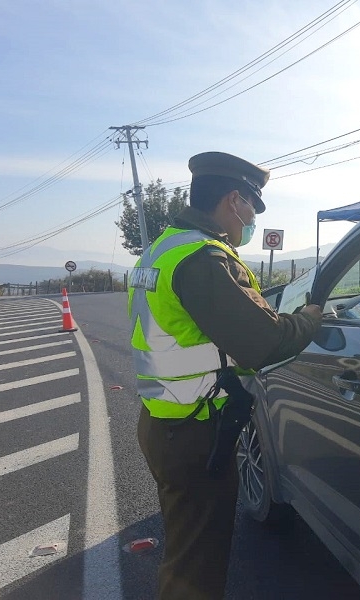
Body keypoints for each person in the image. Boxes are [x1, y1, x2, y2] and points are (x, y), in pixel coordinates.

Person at [128, 151, 323, 600]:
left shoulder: (162, 249)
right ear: (233, 200)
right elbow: (265, 343)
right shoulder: (203, 259)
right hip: (195, 430)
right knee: (195, 563)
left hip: (163, 420)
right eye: (253, 207)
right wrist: (312, 317)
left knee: (185, 544)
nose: (252, 219)